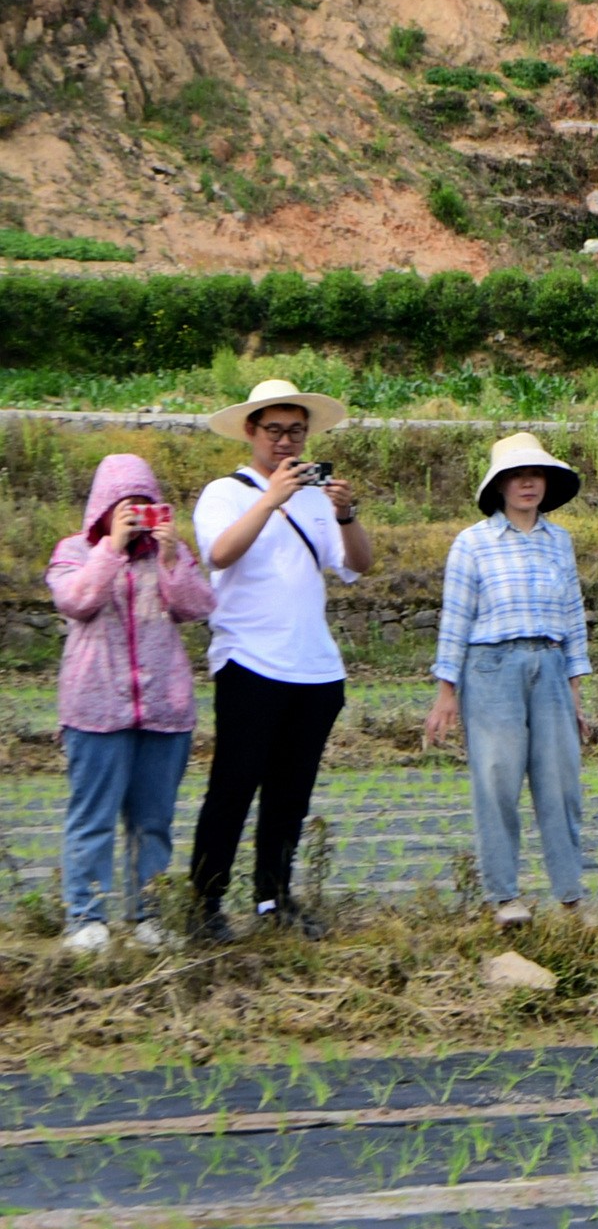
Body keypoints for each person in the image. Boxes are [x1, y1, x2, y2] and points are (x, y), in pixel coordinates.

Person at [191, 379, 371, 938]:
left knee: (290, 795)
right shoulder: (224, 493)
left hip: (316, 668)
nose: (286, 442)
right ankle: (206, 903)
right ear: (251, 431)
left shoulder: (317, 497)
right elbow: (219, 554)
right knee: (233, 786)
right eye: (275, 430)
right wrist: (271, 497)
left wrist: (347, 514)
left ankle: (274, 899)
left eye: (296, 431)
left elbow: (358, 565)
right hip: (249, 661)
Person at [424, 434, 592, 927]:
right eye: (516, 476)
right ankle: (504, 897)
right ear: (498, 487)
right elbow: (455, 618)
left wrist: (575, 692)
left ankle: (571, 898)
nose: (527, 483)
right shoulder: (472, 542)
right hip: (492, 668)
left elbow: (573, 616)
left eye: (535, 474)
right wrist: (446, 692)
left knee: (560, 782)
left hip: (551, 665)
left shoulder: (559, 541)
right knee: (497, 779)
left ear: (546, 483)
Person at [47, 451, 212, 950]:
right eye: (125, 504)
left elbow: (198, 606)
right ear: (103, 506)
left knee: (153, 821)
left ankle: (148, 915)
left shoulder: (170, 553)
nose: (137, 512)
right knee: (92, 819)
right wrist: (112, 548)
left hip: (164, 708)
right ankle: (86, 917)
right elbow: (77, 600)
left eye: (145, 502)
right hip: (95, 708)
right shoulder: (75, 550)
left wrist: (170, 561)